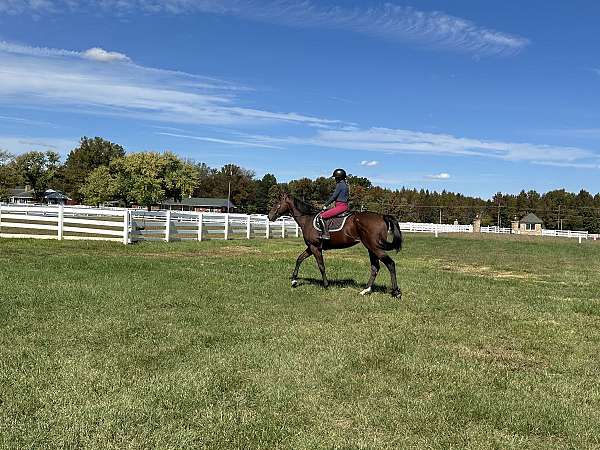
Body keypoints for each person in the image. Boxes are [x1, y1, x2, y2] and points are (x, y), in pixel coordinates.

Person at [317, 168, 350, 239]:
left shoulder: (340, 185)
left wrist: (325, 205)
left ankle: (325, 234)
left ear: (339, 178)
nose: (335, 179)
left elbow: (334, 197)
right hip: (345, 206)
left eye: (335, 178)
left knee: (321, 217)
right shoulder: (345, 185)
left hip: (340, 207)